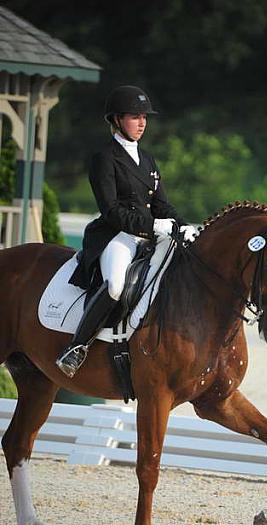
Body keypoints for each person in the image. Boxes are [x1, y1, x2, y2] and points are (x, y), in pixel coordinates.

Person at [56, 85, 198, 378]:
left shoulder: (147, 159)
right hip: (115, 235)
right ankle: (77, 346)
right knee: (115, 286)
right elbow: (111, 211)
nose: (142, 122)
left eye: (144, 117)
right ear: (117, 119)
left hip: (150, 234)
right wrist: (152, 225)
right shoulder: (104, 158)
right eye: (135, 117)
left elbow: (162, 205)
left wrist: (182, 225)